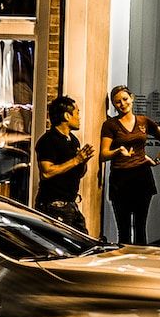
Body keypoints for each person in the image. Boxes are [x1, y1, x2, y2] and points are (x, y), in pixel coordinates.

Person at [101, 84, 160, 245]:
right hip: (120, 179)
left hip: (142, 177)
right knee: (124, 229)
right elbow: (103, 154)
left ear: (132, 98)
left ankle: (141, 265)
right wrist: (118, 151)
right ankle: (125, 265)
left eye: (125, 99)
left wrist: (157, 160)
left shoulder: (144, 121)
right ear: (114, 105)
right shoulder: (110, 125)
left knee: (141, 227)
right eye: (118, 102)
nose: (123, 104)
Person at [34, 94, 96, 230]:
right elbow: (46, 172)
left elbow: (78, 173)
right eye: (77, 113)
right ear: (67, 116)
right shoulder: (48, 140)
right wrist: (76, 160)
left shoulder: (73, 140)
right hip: (53, 205)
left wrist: (83, 162)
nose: (79, 117)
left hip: (71, 203)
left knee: (83, 243)